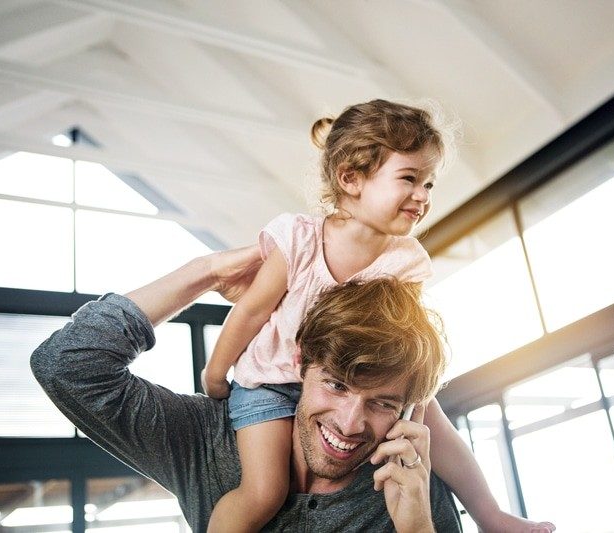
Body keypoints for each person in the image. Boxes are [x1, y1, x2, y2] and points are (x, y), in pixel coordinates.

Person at [201, 100, 555, 533]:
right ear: (351, 179)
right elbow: (252, 309)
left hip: (357, 382)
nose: (423, 196)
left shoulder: (406, 262)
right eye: (409, 179)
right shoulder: (299, 239)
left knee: (430, 412)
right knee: (264, 493)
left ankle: (491, 515)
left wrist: (409, 417)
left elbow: (405, 348)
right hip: (271, 383)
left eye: (428, 184)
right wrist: (215, 374)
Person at [31, 247, 462, 532]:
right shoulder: (208, 441)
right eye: (336, 385)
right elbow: (65, 365)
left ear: (408, 409)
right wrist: (205, 272)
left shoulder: (409, 489)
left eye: (382, 404)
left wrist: (418, 528)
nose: (350, 424)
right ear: (300, 361)